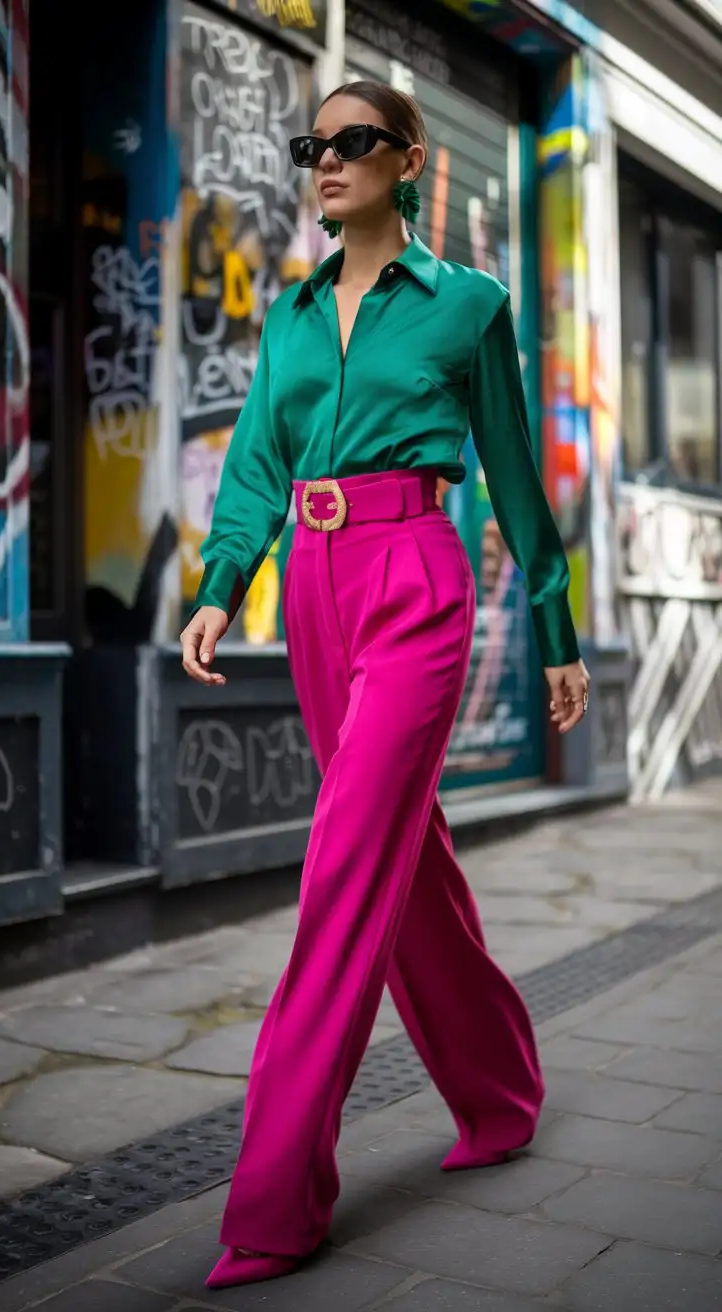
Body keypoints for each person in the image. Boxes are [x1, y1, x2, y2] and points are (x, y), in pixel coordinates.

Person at [181, 80, 590, 1292]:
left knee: (344, 861)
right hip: (313, 581)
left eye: (354, 142)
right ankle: (501, 1091)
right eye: (314, 146)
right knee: (403, 860)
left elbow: (513, 479)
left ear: (409, 160)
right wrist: (220, 584)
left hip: (416, 577)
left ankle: (273, 1200)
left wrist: (557, 629)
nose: (327, 162)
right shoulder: (294, 314)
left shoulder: (468, 307)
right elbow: (258, 459)